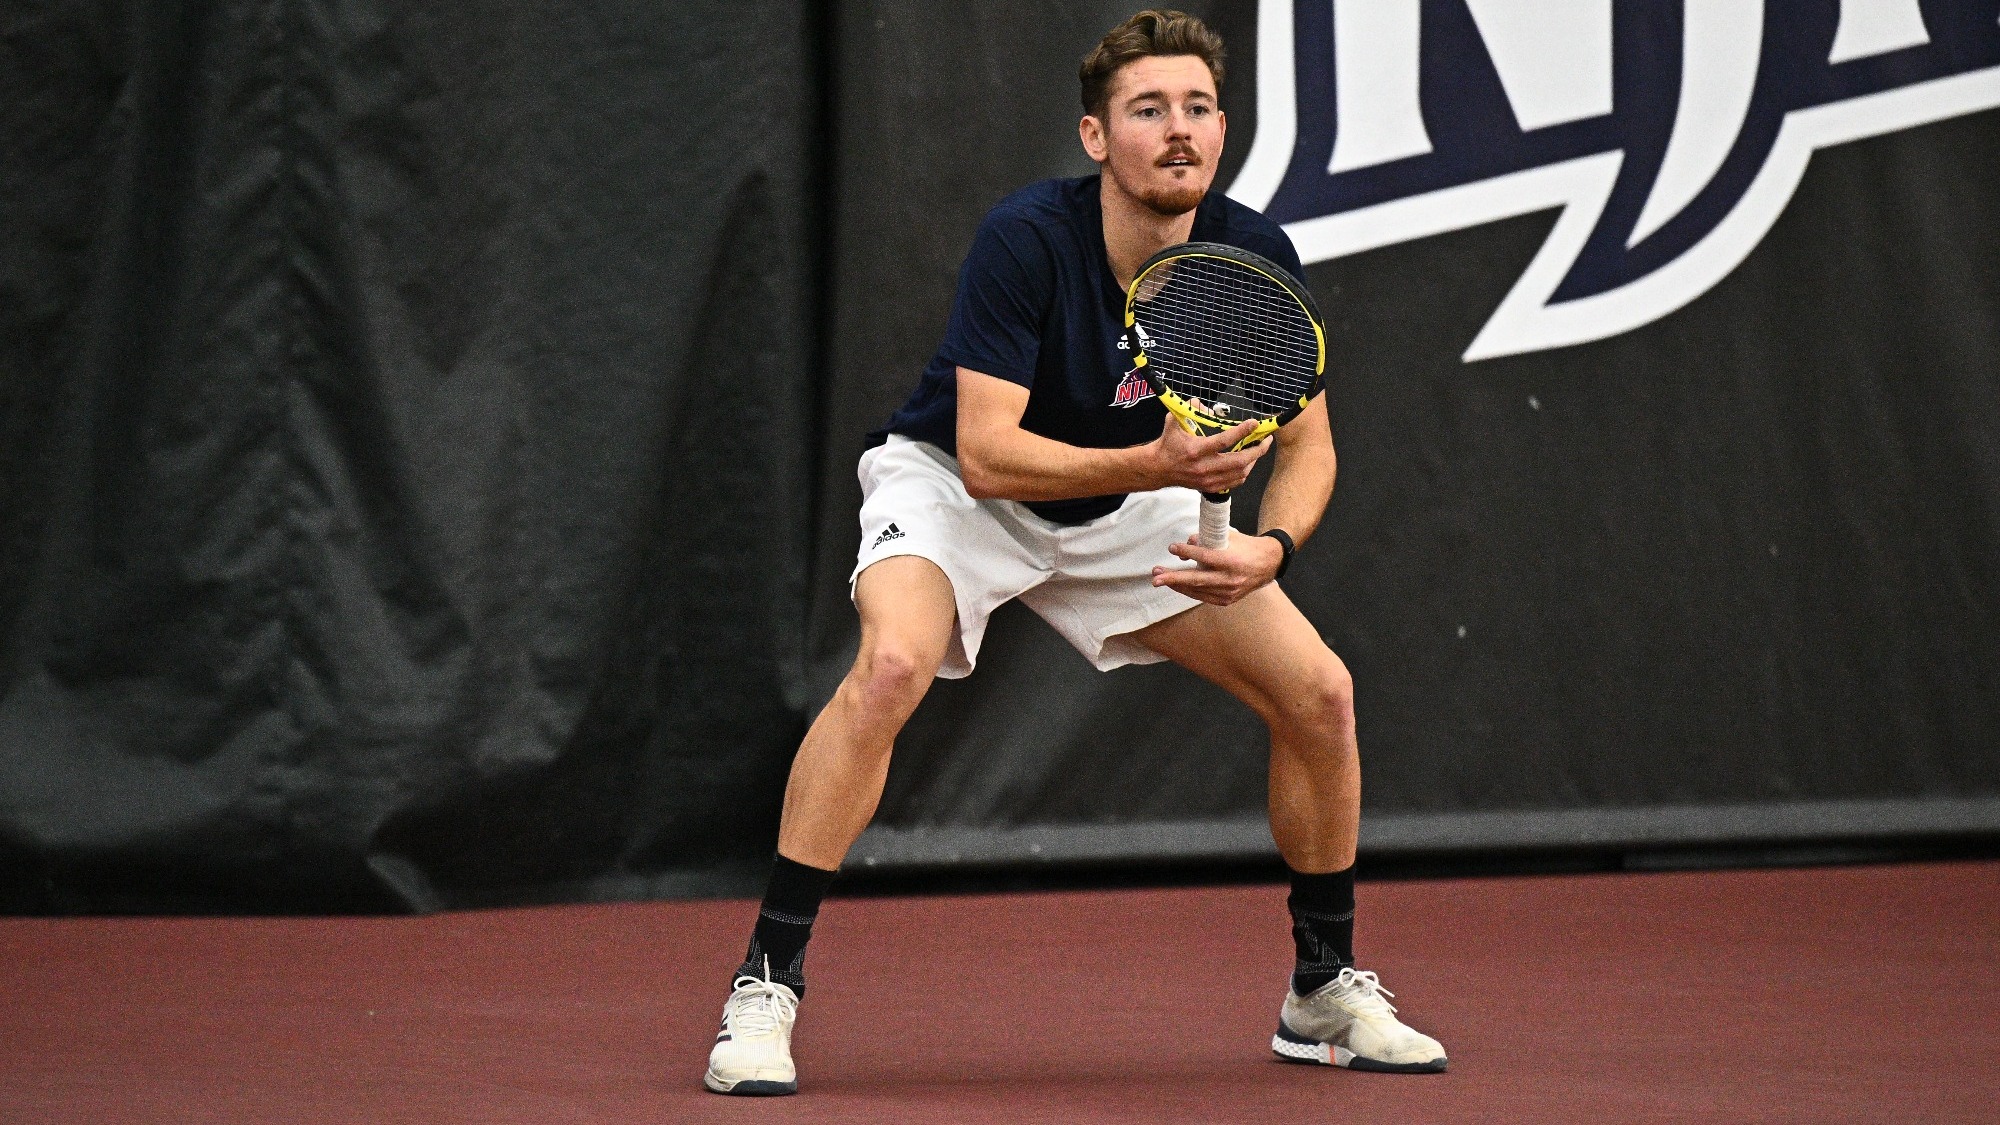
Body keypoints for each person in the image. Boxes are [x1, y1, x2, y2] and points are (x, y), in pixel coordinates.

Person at [703, 10, 1446, 1096]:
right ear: (1096, 137)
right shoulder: (1026, 239)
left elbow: (1310, 444)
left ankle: (1320, 989)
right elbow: (989, 455)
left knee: (1321, 696)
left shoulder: (1250, 254)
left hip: (1132, 499)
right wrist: (1161, 463)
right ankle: (764, 984)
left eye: (1196, 107)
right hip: (959, 491)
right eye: (1147, 110)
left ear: (1222, 127)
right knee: (892, 670)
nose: (1176, 130)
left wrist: (1273, 547)